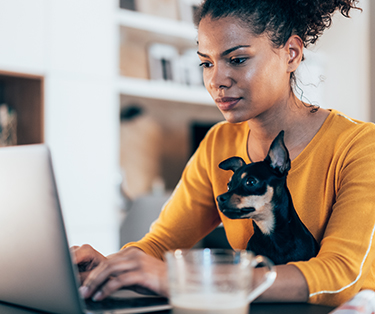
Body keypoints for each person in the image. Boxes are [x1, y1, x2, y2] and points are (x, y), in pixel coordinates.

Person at [73, 0, 375, 307]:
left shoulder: (361, 146)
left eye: (238, 59)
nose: (216, 80)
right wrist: (110, 268)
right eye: (207, 63)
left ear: (291, 54)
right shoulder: (218, 142)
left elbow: (342, 277)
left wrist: (183, 280)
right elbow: (161, 244)